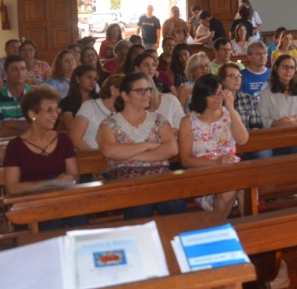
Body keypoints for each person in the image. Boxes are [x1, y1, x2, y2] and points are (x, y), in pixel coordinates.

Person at [97, 72, 185, 220]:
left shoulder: (158, 120)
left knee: (173, 202)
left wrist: (130, 155)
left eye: (148, 89)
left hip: (159, 178)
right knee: (141, 203)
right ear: (125, 95)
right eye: (140, 91)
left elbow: (172, 148)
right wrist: (148, 145)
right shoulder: (109, 124)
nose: (147, 94)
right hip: (126, 180)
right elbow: (109, 150)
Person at [3, 88, 88, 229]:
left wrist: (68, 179)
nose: (55, 115)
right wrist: (53, 182)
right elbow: (12, 187)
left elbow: (75, 177)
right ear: (32, 114)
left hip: (62, 200)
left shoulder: (63, 140)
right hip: (31, 204)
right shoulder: (15, 147)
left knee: (78, 219)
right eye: (49, 110)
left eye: (57, 110)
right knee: (54, 221)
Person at [178, 73, 249, 218]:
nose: (218, 98)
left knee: (244, 185)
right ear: (202, 96)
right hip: (203, 171)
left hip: (230, 168)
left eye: (220, 93)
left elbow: (242, 140)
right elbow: (185, 160)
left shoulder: (229, 115)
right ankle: (220, 227)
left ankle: (246, 228)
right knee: (234, 186)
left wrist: (230, 107)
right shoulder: (188, 122)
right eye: (213, 95)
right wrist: (217, 162)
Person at [258, 54, 297, 154]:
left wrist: (294, 119)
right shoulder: (267, 92)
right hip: (278, 134)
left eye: (292, 68)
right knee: (295, 148)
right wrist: (279, 123)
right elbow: (263, 118)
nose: (289, 71)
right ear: (276, 68)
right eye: (285, 67)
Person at [220, 63, 264, 160]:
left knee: (262, 154)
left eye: (239, 76)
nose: (237, 79)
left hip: (246, 142)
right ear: (222, 80)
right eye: (232, 76)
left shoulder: (247, 98)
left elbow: (255, 126)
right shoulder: (217, 100)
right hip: (223, 145)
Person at [70, 74, 122, 151]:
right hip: (88, 158)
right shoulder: (89, 106)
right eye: (126, 91)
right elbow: (75, 139)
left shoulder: (122, 112)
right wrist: (96, 156)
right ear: (113, 89)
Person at [0, 55, 32, 137]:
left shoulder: (38, 95)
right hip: (5, 146)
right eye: (15, 69)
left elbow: (44, 126)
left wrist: (10, 123)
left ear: (27, 72)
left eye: (23, 69)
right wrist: (30, 128)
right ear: (6, 73)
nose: (20, 73)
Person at [58, 65, 99, 134]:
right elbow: (70, 126)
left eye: (95, 79)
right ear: (77, 79)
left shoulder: (99, 99)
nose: (93, 82)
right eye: (89, 77)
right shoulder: (66, 102)